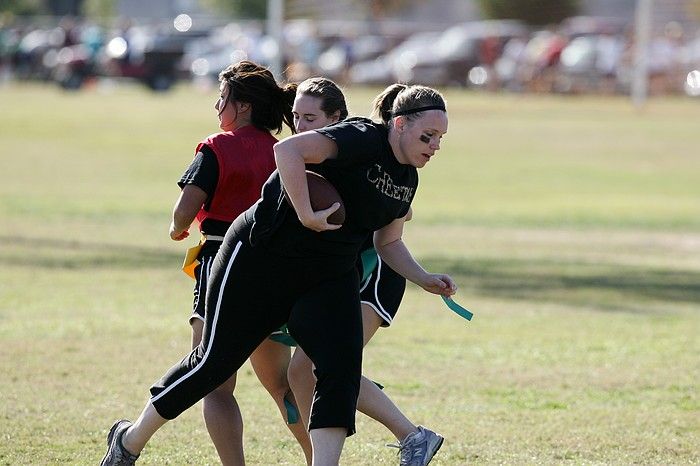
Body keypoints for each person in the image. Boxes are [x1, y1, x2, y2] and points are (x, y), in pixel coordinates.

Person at [100, 82, 455, 466]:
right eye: (428, 135)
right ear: (399, 124)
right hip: (261, 259)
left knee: (339, 367)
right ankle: (129, 440)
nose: (435, 146)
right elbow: (286, 149)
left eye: (440, 138)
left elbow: (388, 243)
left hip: (328, 274)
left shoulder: (407, 180)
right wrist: (304, 210)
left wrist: (423, 278)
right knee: (214, 364)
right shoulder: (360, 137)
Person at [285, 78, 445, 465]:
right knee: (301, 372)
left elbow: (394, 225)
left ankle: (412, 436)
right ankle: (322, 456)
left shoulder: (368, 150)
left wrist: (421, 277)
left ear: (336, 118)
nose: (300, 127)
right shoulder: (330, 153)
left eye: (310, 118)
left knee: (324, 364)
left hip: (373, 275)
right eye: (296, 118)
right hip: (344, 273)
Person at [169, 60, 311, 465]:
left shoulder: (216, 147)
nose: (217, 107)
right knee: (283, 386)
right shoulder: (286, 151)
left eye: (222, 98)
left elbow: (185, 210)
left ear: (243, 106)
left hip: (221, 262)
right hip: (275, 272)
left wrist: (177, 229)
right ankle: (319, 459)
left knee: (215, 385)